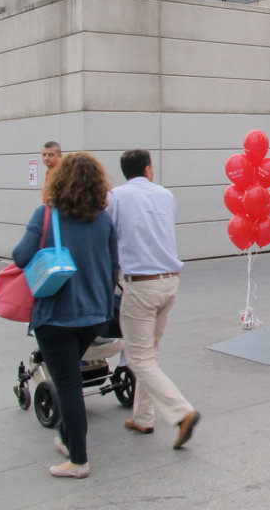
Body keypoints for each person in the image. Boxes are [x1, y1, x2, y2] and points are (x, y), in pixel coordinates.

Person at [12, 152, 119, 479]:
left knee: (68, 386)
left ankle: (78, 460)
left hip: (56, 317)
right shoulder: (103, 220)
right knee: (71, 375)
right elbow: (114, 266)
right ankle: (66, 436)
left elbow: (20, 257)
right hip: (96, 316)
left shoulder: (46, 216)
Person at [107, 150, 201, 449]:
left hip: (141, 285)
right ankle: (143, 417)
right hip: (169, 282)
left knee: (137, 357)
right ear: (148, 169)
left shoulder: (116, 197)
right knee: (151, 352)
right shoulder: (165, 195)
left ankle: (181, 412)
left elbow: (108, 237)